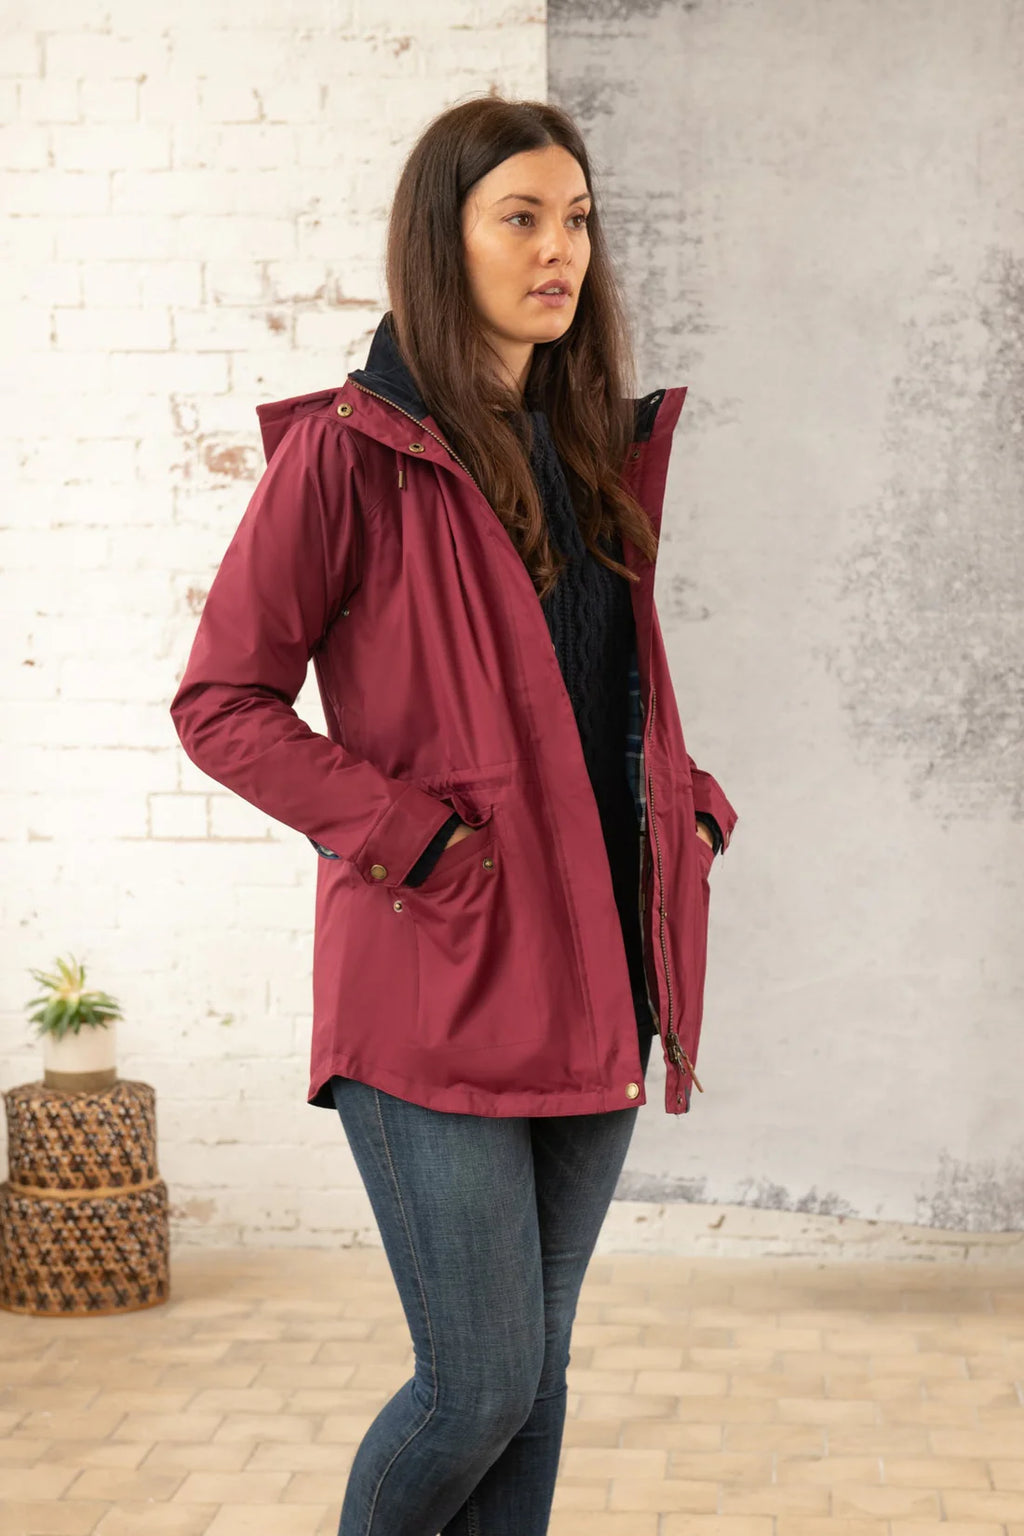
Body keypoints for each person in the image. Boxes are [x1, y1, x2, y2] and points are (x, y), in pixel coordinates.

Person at [170, 95, 737, 1536]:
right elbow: (222, 703)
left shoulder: (597, 445)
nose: (562, 251)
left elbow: (596, 694)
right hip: (440, 976)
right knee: (474, 1385)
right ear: (447, 237)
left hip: (606, 963)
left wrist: (691, 807)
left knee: (535, 1388)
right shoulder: (352, 455)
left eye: (579, 220)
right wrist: (416, 841)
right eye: (522, 218)